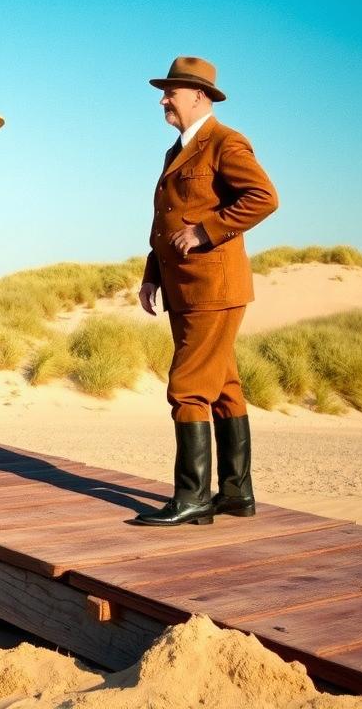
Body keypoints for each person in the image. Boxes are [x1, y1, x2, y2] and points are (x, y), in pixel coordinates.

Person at [134, 56, 278, 527]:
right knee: (223, 388)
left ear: (198, 96)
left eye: (170, 92)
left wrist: (206, 232)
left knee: (188, 387)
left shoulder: (225, 141)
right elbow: (166, 219)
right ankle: (236, 494)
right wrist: (153, 273)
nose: (162, 100)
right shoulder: (176, 149)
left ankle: (192, 497)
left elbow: (263, 197)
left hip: (213, 286)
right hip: (184, 287)